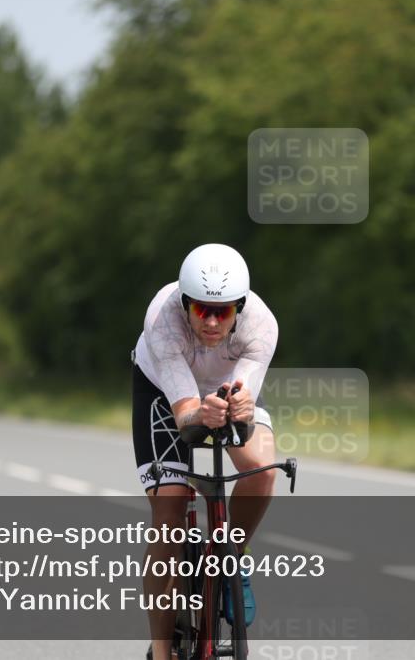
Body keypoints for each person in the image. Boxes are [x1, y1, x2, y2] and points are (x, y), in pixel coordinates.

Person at [132, 243, 278, 660]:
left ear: (241, 307)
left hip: (226, 387)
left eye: (224, 311)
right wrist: (201, 413)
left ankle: (234, 555)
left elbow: (244, 399)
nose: (212, 322)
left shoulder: (262, 326)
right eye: (201, 310)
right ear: (184, 304)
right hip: (163, 392)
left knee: (262, 470)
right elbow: (185, 416)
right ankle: (162, 652)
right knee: (169, 514)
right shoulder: (162, 322)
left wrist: (239, 407)